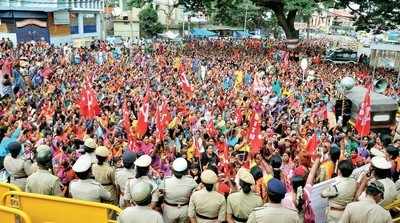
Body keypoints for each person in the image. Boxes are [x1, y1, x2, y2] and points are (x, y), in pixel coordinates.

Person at [161, 157, 197, 223]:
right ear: (186, 170)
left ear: (173, 170)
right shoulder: (190, 181)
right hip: (184, 210)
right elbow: (197, 189)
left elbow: (160, 191)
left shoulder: (166, 181)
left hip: (169, 210)